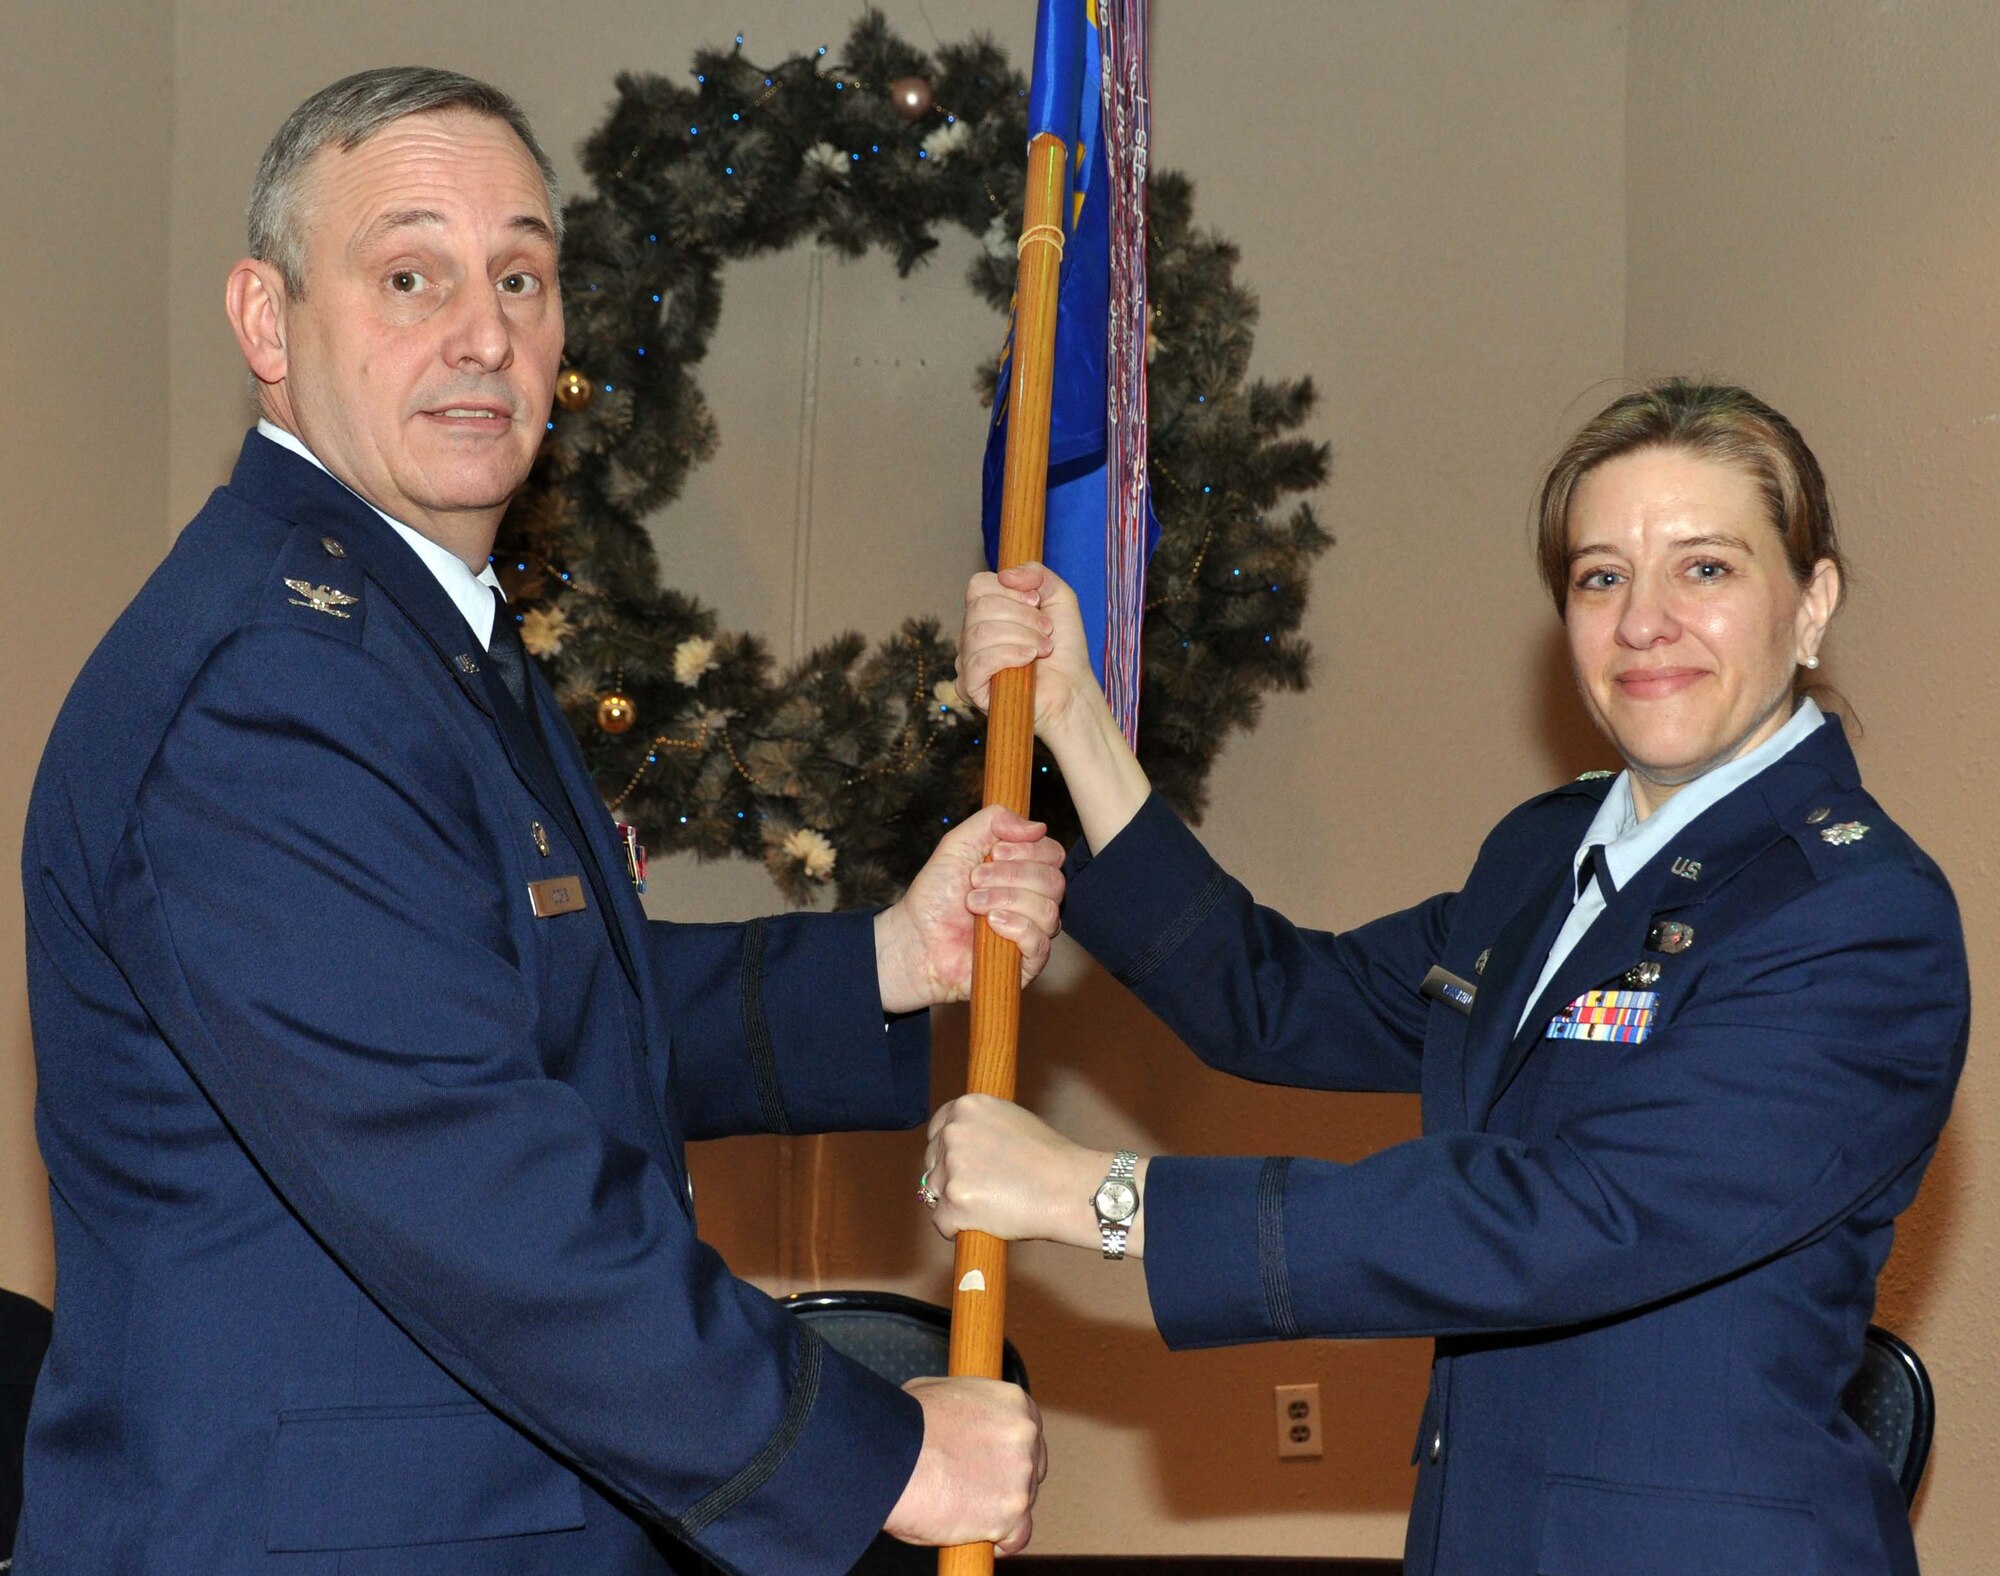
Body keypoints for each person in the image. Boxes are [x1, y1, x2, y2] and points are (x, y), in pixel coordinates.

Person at [19, 67, 1066, 1574]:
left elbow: (534, 1007)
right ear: (267, 322)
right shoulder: (268, 688)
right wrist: (868, 1451)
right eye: (409, 275)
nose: (484, 332)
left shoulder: (413, 634)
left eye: (520, 274)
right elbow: (472, 1176)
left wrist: (890, 963)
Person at [931, 379, 1967, 1576]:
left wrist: (1102, 1198)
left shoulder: (1854, 913)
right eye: (1598, 576)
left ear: (1809, 604)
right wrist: (1071, 717)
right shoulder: (1545, 856)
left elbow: (1561, 1217)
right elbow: (1275, 1001)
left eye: (1704, 569)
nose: (1641, 622)